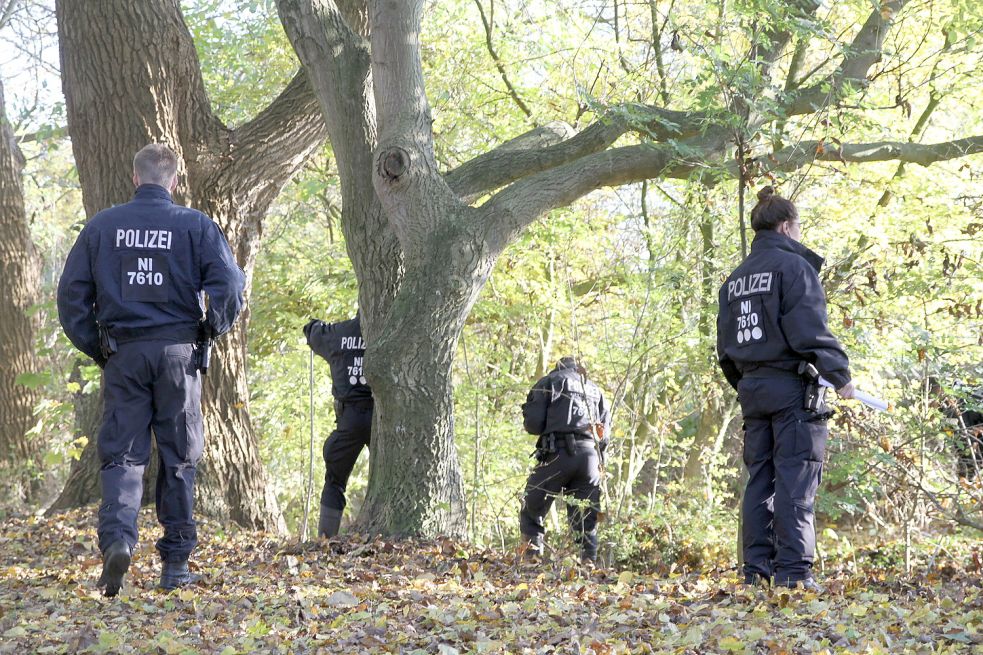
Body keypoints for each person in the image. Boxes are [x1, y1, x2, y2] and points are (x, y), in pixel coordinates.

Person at [57, 144, 245, 596]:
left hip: (125, 353)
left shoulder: (102, 226)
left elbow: (71, 298)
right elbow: (230, 286)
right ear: (174, 181)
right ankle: (176, 565)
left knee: (122, 454)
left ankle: (118, 540)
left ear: (136, 178)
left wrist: (100, 348)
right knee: (180, 455)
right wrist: (209, 330)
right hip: (180, 353)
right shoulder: (195, 225)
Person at [717, 186, 854, 592]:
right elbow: (809, 329)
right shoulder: (794, 269)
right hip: (793, 389)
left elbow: (724, 346)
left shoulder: (734, 281)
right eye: (797, 227)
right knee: (796, 478)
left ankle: (756, 571)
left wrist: (745, 385)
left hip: (752, 389)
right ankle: (794, 573)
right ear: (785, 226)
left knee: (759, 480)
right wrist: (840, 374)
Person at [519, 356, 610, 563]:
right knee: (585, 516)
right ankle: (589, 564)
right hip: (590, 458)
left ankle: (531, 560)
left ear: (558, 367)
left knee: (532, 505)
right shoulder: (596, 390)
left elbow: (533, 424)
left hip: (557, 454)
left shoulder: (551, 382)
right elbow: (605, 435)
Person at [303, 313, 373, 538]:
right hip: (379, 419)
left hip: (349, 420)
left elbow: (312, 332)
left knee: (335, 480)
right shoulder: (387, 332)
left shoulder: (339, 334)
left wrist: (314, 324)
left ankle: (326, 539)